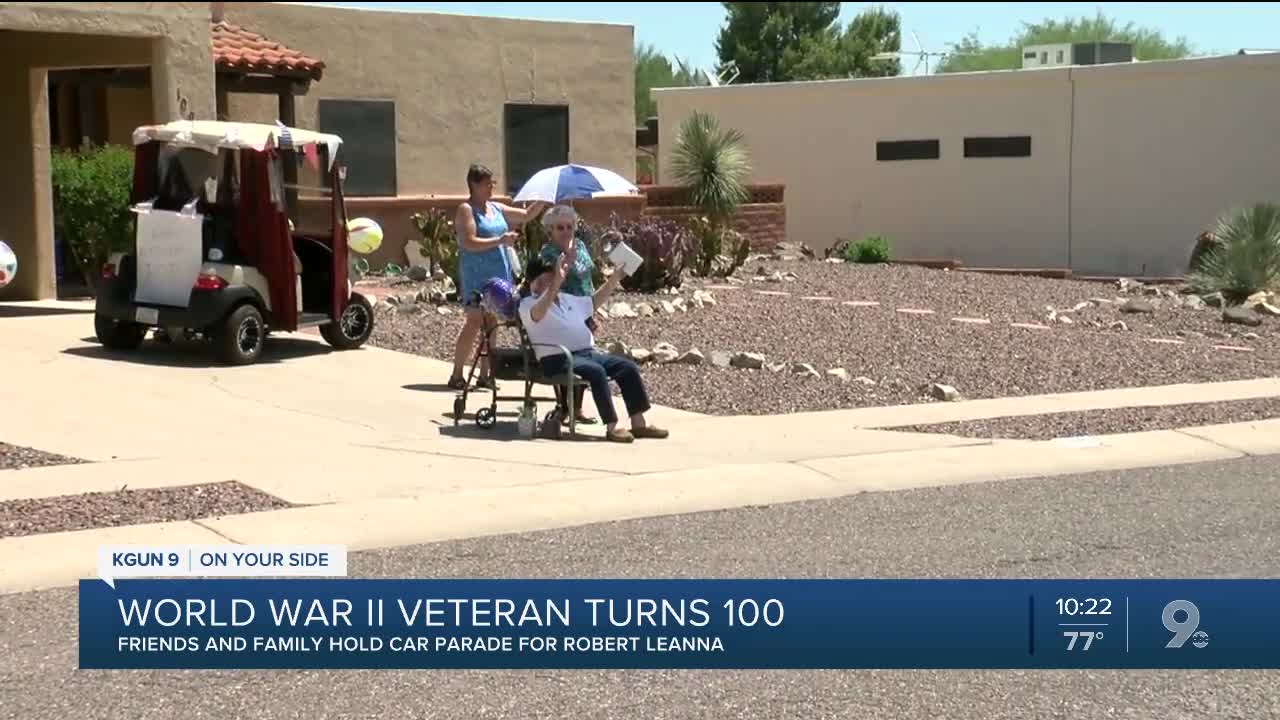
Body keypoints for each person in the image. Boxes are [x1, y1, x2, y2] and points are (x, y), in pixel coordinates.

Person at [518, 251, 669, 443]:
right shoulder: (527, 304)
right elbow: (538, 315)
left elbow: (594, 302)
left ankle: (638, 424)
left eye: (554, 274)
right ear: (534, 281)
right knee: (596, 372)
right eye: (548, 275)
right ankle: (612, 427)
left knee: (627, 367)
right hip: (557, 358)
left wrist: (615, 278)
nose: (554, 278)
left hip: (586, 353)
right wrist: (555, 284)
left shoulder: (566, 299)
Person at [448, 164, 546, 390]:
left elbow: (527, 215)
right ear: (474, 184)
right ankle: (457, 374)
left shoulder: (497, 208)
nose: (491, 187)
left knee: (492, 323)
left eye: (492, 183)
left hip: (499, 273)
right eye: (487, 184)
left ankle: (485, 374)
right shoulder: (466, 209)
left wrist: (543, 197)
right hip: (476, 275)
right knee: (474, 322)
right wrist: (500, 240)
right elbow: (468, 242)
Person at [537, 204, 599, 425]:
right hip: (561, 310)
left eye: (569, 226)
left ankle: (578, 408)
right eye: (560, 227)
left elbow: (588, 276)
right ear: (551, 231)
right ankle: (563, 407)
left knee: (585, 353)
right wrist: (567, 260)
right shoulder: (548, 252)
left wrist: (594, 308)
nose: (565, 231)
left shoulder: (580, 245)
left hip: (583, 307)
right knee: (565, 357)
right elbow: (547, 282)